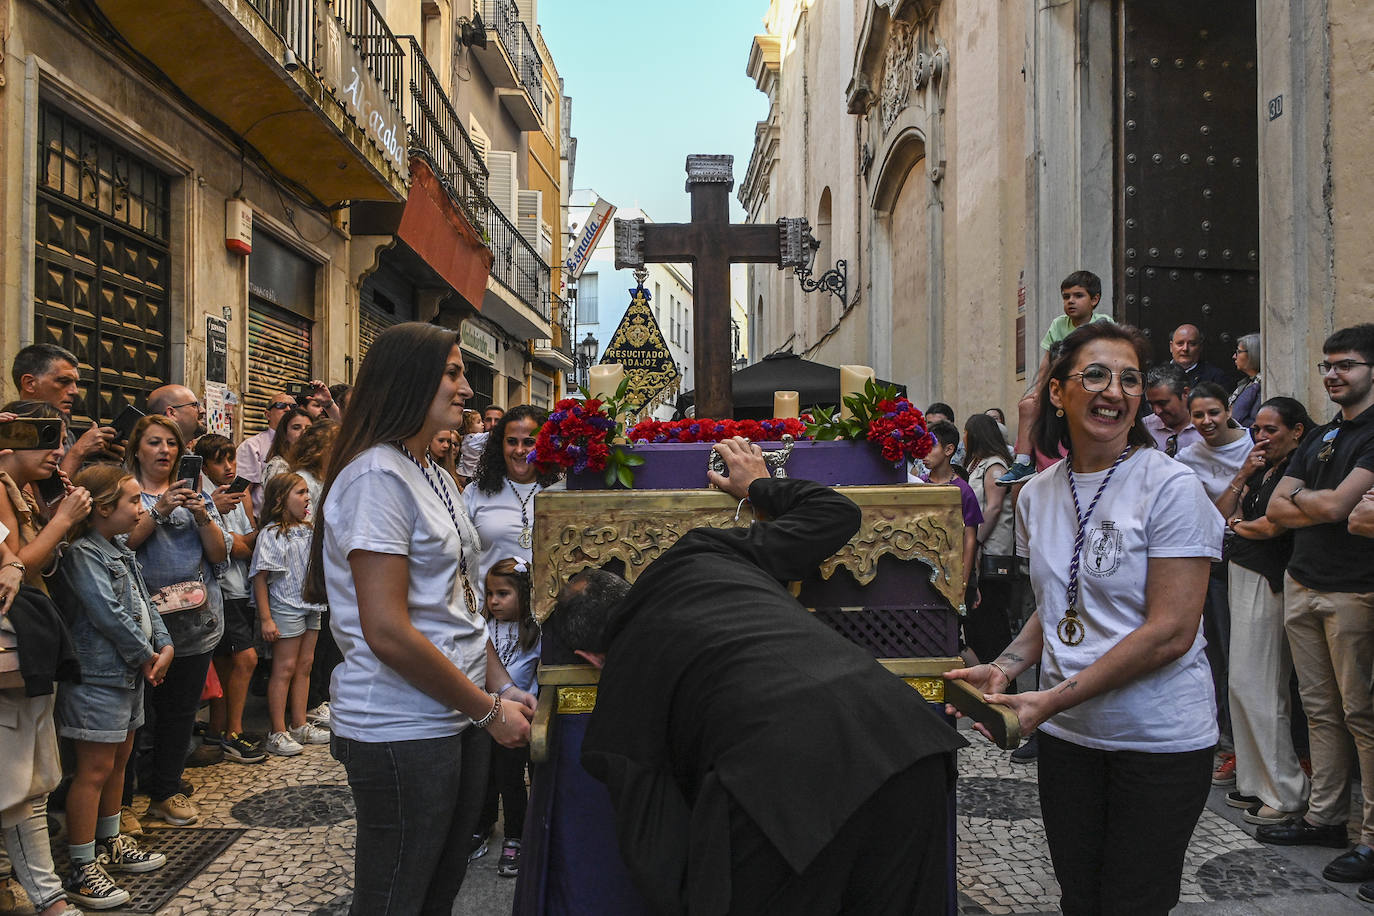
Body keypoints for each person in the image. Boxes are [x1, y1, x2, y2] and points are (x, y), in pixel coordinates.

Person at [543, 438, 967, 915]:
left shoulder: (620, 685)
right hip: (902, 738)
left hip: (780, 787)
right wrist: (759, 486)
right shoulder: (699, 553)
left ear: (589, 656)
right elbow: (836, 514)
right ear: (625, 583)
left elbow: (655, 854)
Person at [949, 321, 1222, 915]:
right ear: (1058, 393)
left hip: (1156, 741)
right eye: (1095, 374)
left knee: (1132, 901)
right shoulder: (1038, 493)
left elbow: (1171, 632)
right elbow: (1059, 605)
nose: (1115, 391)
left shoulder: (1172, 487)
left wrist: (1049, 699)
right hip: (1072, 741)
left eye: (1129, 379)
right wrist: (1006, 666)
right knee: (1080, 897)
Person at [305, 322, 531, 914]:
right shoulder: (377, 476)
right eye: (453, 373)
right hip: (402, 724)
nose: (467, 389)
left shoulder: (427, 469)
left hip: (452, 712)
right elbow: (386, 629)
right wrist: (486, 708)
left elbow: (454, 601)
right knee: (396, 895)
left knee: (438, 888)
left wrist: (500, 683)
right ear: (410, 380)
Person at [1256, 324, 1374, 888]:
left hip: (1354, 588)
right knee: (1319, 710)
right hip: (1303, 580)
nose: (1333, 374)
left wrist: (1305, 502)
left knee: (1361, 716)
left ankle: (1371, 837)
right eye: (1327, 364)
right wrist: (1312, 502)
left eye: (1345, 364)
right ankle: (1327, 817)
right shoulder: (1322, 434)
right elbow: (1285, 507)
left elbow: (1338, 510)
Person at [58, 465, 173, 910]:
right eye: (131, 501)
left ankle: (110, 840)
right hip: (99, 678)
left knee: (119, 759)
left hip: (128, 675)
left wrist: (164, 643)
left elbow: (145, 603)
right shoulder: (83, 554)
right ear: (103, 509)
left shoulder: (120, 549)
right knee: (93, 769)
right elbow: (106, 614)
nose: (140, 508)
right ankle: (82, 864)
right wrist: (146, 655)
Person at [0, 403, 90, 916]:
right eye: (46, 439)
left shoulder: (22, 489)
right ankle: (49, 899)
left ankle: (43, 895)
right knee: (20, 782)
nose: (58, 451)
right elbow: (17, 564)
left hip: (30, 646)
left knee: (28, 781)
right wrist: (62, 521)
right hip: (14, 651)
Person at [124, 415, 230, 827]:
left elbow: (219, 555)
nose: (165, 451)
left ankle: (166, 790)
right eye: (154, 443)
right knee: (138, 717)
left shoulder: (196, 495)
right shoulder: (129, 495)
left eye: (171, 444)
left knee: (180, 712)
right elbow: (122, 546)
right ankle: (121, 802)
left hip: (195, 621)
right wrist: (159, 511)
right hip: (143, 625)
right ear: (137, 449)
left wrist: (203, 515)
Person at [1211, 397, 1313, 826]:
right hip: (1242, 571)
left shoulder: (1298, 468)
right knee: (1242, 684)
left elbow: (1272, 526)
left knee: (1263, 685)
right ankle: (1256, 781)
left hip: (1269, 577)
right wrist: (1244, 474)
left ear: (1297, 431)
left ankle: (1286, 791)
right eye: (1257, 429)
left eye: (1271, 429)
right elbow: (1220, 512)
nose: (1261, 436)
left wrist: (1237, 527)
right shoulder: (1263, 471)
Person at [1175, 380, 1255, 750]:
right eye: (1199, 415)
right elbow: (1208, 518)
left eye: (1214, 412)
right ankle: (1224, 735)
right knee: (1216, 650)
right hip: (1212, 560)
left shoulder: (1254, 444)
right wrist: (1240, 481)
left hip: (1253, 557)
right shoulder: (1188, 458)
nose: (1207, 421)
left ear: (1229, 411)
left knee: (1245, 653)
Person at [1000, 270, 1114, 486]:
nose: (1071, 301)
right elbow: (1046, 365)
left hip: (1092, 387)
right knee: (1027, 406)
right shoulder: (1059, 324)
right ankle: (1023, 462)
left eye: (1078, 296)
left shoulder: (1103, 324)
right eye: (1066, 296)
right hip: (1062, 388)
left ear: (1095, 299)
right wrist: (1038, 392)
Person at [194, 436, 265, 764]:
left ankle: (219, 731)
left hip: (239, 588)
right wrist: (251, 540)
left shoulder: (240, 496)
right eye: (220, 461)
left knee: (228, 664)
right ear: (204, 466)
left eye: (231, 460)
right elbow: (230, 547)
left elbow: (244, 538)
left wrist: (248, 537)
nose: (229, 468)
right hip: (222, 589)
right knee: (244, 659)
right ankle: (232, 731)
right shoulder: (208, 499)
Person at [251, 473, 329, 757]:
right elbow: (260, 578)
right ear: (281, 499)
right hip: (285, 604)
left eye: (307, 492)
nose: (307, 497)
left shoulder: (308, 530)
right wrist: (266, 618)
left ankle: (299, 723)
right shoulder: (271, 534)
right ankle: (277, 730)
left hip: (310, 605)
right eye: (300, 492)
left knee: (305, 666)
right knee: (284, 669)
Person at [473, 559, 540, 878]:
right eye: (489, 594)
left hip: (519, 719)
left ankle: (516, 834)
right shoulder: (482, 628)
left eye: (503, 593)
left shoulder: (536, 631)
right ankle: (481, 826)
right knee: (485, 778)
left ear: (524, 596)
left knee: (512, 781)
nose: (494, 601)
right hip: (484, 715)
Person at [462, 405, 562, 591]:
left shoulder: (560, 493)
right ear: (500, 444)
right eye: (512, 441)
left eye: (529, 442)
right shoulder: (475, 492)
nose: (519, 450)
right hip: (488, 614)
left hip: (548, 613)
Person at [286, 421, 340, 727]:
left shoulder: (324, 478)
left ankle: (322, 695)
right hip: (310, 568)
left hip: (326, 566)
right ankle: (313, 700)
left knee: (327, 638)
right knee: (317, 643)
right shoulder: (305, 479)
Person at [11, 343, 122, 476]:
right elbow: (46, 494)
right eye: (63, 381)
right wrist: (78, 452)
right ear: (30, 383)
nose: (74, 391)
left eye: (75, 383)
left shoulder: (67, 434)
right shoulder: (9, 431)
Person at [962, 414, 1017, 676]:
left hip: (991, 550)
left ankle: (1001, 673)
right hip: (979, 547)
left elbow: (993, 507)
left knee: (992, 616)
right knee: (980, 618)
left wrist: (978, 540)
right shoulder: (978, 464)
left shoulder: (995, 466)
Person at [914, 421, 982, 614]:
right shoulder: (921, 486)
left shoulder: (963, 490)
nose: (924, 453)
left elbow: (969, 540)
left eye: (931, 447)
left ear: (949, 449)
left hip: (953, 569)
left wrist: (963, 581)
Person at [236, 391, 293, 515]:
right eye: (281, 405)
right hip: (263, 520)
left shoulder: (303, 445)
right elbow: (244, 490)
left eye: (293, 407)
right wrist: (251, 525)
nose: (288, 409)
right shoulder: (252, 446)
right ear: (267, 415)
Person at [1142, 363, 1203, 456]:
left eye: (1162, 403)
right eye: (1151, 404)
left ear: (1186, 393)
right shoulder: (1144, 428)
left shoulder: (1208, 429)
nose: (1156, 411)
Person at [261, 408, 313, 490]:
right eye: (296, 428)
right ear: (284, 433)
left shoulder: (311, 464)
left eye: (308, 428)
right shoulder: (278, 465)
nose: (304, 432)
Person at [1169, 323, 1229, 389]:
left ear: (1200, 347)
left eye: (1192, 344)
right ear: (1171, 347)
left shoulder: (1216, 377)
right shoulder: (1157, 375)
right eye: (1180, 343)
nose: (1185, 348)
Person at [1230, 333, 1263, 429]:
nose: (1234, 356)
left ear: (1253, 354)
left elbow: (1254, 423)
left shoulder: (1263, 386)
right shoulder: (1246, 383)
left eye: (1239, 352)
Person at [456, 410, 486, 487]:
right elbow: (491, 435)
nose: (483, 424)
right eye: (478, 422)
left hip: (464, 473)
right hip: (473, 475)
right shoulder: (475, 438)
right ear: (469, 427)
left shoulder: (465, 438)